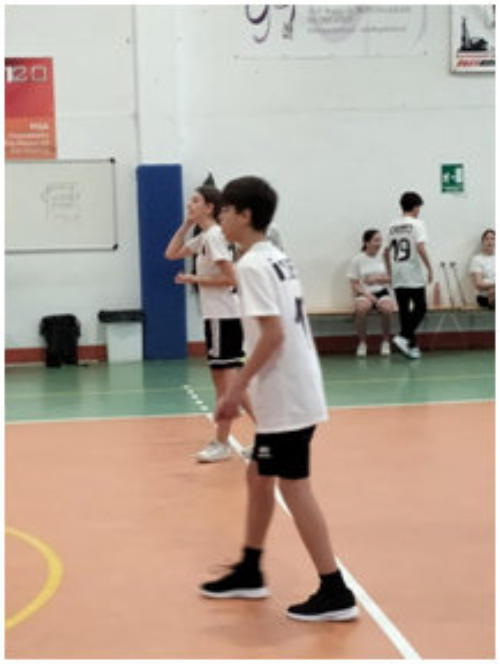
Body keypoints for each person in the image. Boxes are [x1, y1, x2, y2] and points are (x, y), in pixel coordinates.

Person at [199, 176, 358, 623]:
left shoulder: (251, 266)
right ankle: (250, 569)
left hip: (286, 396)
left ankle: (335, 590)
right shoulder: (274, 257)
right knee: (258, 475)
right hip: (294, 390)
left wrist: (235, 389)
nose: (221, 219)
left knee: (294, 486)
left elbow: (273, 334)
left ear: (245, 215)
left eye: (225, 211)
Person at [165, 184, 254, 463]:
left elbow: (231, 278)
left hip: (223, 316)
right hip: (219, 317)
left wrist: (194, 279)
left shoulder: (214, 237)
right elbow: (171, 253)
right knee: (229, 384)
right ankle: (262, 435)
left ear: (209, 207)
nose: (189, 204)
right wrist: (186, 224)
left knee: (227, 384)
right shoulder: (206, 236)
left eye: (195, 201)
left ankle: (223, 443)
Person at [384, 191, 433, 360]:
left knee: (404, 312)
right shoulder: (417, 224)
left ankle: (410, 346)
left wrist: (390, 272)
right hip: (412, 272)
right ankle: (403, 336)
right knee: (421, 308)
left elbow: (386, 252)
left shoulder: (392, 226)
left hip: (398, 272)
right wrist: (430, 268)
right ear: (415, 207)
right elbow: (420, 248)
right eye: (419, 207)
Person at [347, 229, 395, 357]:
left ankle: (386, 342)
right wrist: (369, 296)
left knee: (387, 309)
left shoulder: (384, 258)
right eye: (376, 240)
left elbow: (392, 278)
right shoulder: (357, 260)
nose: (379, 244)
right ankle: (362, 343)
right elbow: (354, 284)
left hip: (382, 291)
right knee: (361, 309)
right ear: (366, 242)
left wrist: (377, 279)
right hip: (364, 293)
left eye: (380, 240)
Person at [470, 229, 495, 309]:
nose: (490, 242)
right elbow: (478, 284)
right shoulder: (477, 259)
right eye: (487, 239)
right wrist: (494, 286)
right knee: (492, 293)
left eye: (492, 239)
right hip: (484, 296)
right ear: (483, 242)